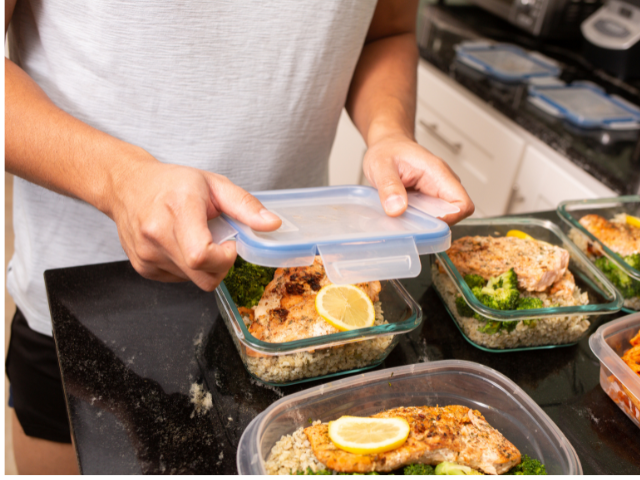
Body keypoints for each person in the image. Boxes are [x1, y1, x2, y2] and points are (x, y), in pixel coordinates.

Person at [4, 0, 474, 474]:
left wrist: (388, 130)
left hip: (306, 317)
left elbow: (385, 32)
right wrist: (117, 180)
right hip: (86, 306)